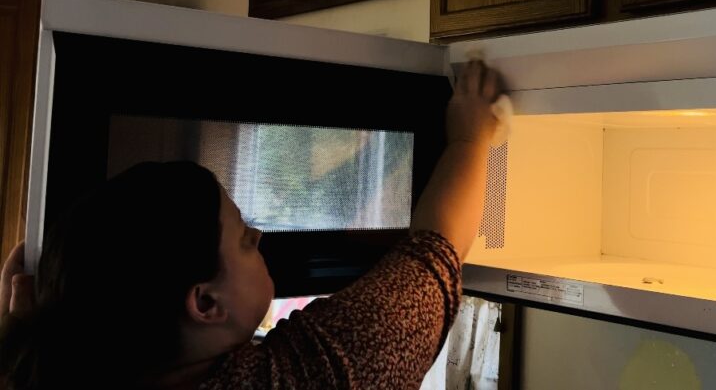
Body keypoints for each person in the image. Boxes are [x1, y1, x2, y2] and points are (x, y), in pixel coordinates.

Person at [0, 61, 504, 389]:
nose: (259, 236)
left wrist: (24, 341)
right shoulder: (303, 379)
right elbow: (430, 256)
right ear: (204, 303)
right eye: (243, 240)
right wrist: (470, 137)